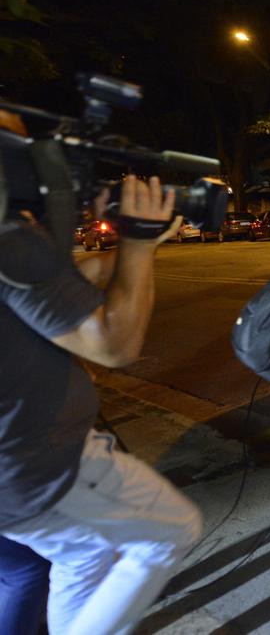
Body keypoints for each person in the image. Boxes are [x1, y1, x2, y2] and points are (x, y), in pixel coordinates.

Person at [0, 175, 202, 635]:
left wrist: (136, 244)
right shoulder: (9, 244)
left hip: (18, 464)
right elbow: (115, 345)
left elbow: (69, 283)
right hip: (34, 459)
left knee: (82, 556)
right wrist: (137, 243)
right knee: (171, 531)